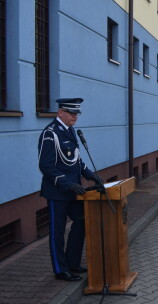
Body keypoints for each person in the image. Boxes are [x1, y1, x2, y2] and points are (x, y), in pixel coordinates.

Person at [38, 98, 100, 281]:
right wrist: (68, 184)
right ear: (60, 113)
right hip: (58, 191)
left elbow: (76, 160)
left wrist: (90, 175)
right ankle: (60, 269)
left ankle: (72, 262)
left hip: (75, 189)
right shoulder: (51, 134)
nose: (75, 117)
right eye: (72, 113)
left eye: (76, 114)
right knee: (57, 232)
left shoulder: (70, 131)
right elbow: (46, 166)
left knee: (81, 221)